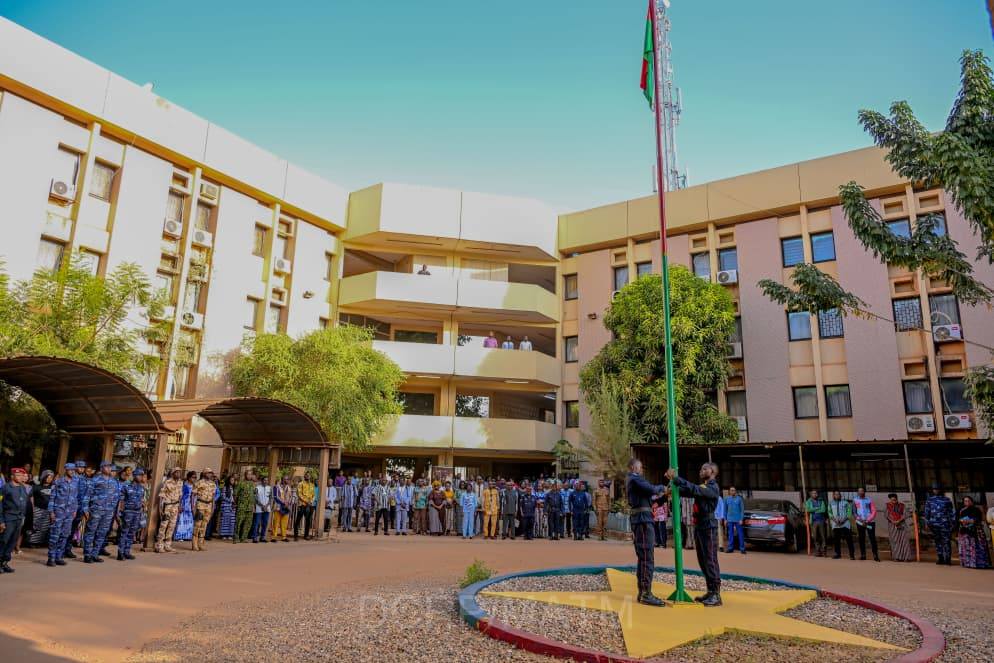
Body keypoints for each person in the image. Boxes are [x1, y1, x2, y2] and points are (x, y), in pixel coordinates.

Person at [666, 463, 722, 607]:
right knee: (703, 560)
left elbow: (694, 489)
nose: (701, 470)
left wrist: (677, 478)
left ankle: (716, 595)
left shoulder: (713, 487)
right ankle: (710, 591)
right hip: (701, 526)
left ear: (713, 471)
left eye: (705, 469)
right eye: (701, 468)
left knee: (710, 560)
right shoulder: (703, 487)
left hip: (709, 527)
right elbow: (688, 491)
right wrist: (672, 485)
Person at [625, 459, 668, 606]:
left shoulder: (636, 482)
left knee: (645, 557)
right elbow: (651, 489)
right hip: (642, 520)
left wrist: (663, 493)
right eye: (640, 467)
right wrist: (662, 487)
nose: (642, 469)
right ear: (633, 467)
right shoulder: (634, 479)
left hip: (644, 519)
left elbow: (652, 497)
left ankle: (643, 592)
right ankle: (645, 593)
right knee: (646, 557)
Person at [83, 461, 120, 563]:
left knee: (102, 532)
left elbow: (116, 497)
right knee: (91, 531)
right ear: (102, 468)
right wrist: (85, 509)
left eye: (110, 467)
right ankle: (87, 555)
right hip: (96, 510)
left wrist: (113, 509)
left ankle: (95, 554)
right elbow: (87, 495)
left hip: (108, 512)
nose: (109, 469)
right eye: (107, 467)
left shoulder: (114, 481)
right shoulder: (95, 480)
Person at [47, 464, 78, 567]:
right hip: (58, 511)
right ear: (66, 470)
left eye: (73, 470)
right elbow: (52, 497)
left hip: (69, 513)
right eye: (70, 470)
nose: (72, 471)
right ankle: (51, 558)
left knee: (65, 535)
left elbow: (75, 498)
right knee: (55, 535)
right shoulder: (58, 482)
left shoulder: (75, 482)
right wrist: (51, 511)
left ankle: (59, 557)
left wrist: (75, 510)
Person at [0, 467, 30, 573]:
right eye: (18, 475)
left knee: (12, 541)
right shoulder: (5, 488)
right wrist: (1, 521)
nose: (20, 477)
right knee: (4, 540)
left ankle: (4, 562)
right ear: (12, 476)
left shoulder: (22, 488)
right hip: (8, 518)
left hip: (18, 518)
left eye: (22, 475)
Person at [117, 467, 146, 560]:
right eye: (139, 475)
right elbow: (121, 501)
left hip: (137, 513)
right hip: (128, 512)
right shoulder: (126, 486)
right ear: (134, 476)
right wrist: (120, 514)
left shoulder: (142, 488)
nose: (141, 477)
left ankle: (127, 552)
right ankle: (120, 553)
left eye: (142, 475)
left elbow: (142, 500)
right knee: (124, 532)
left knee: (131, 533)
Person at [923, 483, 955, 565]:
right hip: (934, 524)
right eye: (934, 489)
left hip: (945, 524)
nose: (935, 490)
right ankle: (940, 558)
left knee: (946, 541)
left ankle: (947, 559)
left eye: (937, 489)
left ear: (940, 490)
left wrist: (952, 523)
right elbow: (927, 512)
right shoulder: (930, 500)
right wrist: (926, 523)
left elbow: (951, 513)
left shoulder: (947, 500)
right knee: (937, 542)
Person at [956, 496, 991, 569]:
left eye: (969, 500)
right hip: (965, 532)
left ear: (972, 501)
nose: (967, 502)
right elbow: (958, 520)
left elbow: (979, 519)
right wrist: (962, 521)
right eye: (965, 501)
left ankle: (980, 564)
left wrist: (970, 521)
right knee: (966, 548)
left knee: (978, 548)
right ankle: (968, 563)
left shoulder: (976, 509)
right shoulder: (962, 510)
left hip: (976, 532)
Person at [64, 461, 89, 559]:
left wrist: (85, 508)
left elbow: (86, 495)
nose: (82, 469)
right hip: (70, 507)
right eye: (79, 467)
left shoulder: (84, 479)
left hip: (80, 508)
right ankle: (61, 549)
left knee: (73, 529)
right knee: (66, 529)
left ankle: (68, 549)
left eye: (83, 467)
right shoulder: (71, 478)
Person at [190, 469, 216, 551]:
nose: (210, 474)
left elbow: (213, 497)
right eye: (208, 473)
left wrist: (213, 507)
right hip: (200, 505)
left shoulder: (213, 484)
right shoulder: (199, 482)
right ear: (204, 474)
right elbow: (193, 495)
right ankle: (194, 544)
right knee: (197, 525)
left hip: (209, 505)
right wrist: (192, 507)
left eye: (211, 473)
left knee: (204, 525)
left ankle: (200, 544)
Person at [852, 488, 880, 562]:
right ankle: (863, 555)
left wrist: (867, 520)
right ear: (857, 492)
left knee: (872, 538)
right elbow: (854, 512)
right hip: (860, 523)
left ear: (864, 492)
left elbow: (874, 511)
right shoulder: (855, 500)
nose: (861, 492)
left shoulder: (869, 500)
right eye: (859, 491)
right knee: (861, 538)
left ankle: (875, 555)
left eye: (862, 491)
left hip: (870, 522)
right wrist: (860, 519)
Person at [885, 494, 914, 562]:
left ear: (897, 499)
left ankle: (906, 558)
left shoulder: (902, 505)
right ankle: (897, 557)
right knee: (895, 541)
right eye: (892, 500)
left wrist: (899, 520)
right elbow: (886, 515)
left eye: (895, 499)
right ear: (890, 499)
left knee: (904, 541)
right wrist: (893, 521)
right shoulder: (887, 505)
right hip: (892, 525)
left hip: (902, 524)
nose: (894, 501)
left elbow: (906, 514)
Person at [29, 470, 55, 547]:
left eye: (51, 477)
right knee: (35, 526)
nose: (49, 479)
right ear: (43, 477)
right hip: (38, 509)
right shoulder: (36, 487)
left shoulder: (54, 488)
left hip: (48, 510)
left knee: (44, 527)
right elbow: (31, 498)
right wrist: (33, 509)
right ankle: (31, 542)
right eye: (48, 477)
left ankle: (39, 543)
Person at [828, 491, 855, 560]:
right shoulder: (830, 503)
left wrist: (844, 520)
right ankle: (837, 554)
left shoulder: (846, 503)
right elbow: (830, 512)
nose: (837, 495)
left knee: (849, 540)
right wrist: (835, 520)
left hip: (845, 524)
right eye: (835, 494)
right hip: (835, 525)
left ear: (840, 495)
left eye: (838, 494)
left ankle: (852, 555)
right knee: (836, 540)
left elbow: (849, 512)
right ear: (833, 496)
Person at [804, 489, 829, 557]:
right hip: (813, 522)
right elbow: (808, 509)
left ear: (817, 494)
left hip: (821, 521)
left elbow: (823, 510)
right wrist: (817, 508)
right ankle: (818, 551)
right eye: (813, 493)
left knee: (823, 536)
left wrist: (813, 510)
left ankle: (824, 551)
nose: (815, 494)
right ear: (811, 494)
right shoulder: (808, 501)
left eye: (816, 493)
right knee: (815, 537)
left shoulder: (821, 501)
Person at [173, 471, 196, 543]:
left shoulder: (195, 486)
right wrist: (180, 505)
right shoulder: (184, 485)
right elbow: (181, 497)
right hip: (184, 504)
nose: (194, 479)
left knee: (189, 520)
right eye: (193, 477)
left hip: (191, 505)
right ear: (189, 477)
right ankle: (179, 536)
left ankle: (187, 536)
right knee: (182, 520)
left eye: (195, 477)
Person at [234, 470, 256, 544]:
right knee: (239, 522)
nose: (249, 476)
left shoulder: (253, 484)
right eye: (248, 474)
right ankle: (236, 537)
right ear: (245, 475)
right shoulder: (241, 483)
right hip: (241, 506)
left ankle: (243, 538)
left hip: (250, 507)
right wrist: (235, 503)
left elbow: (254, 496)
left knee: (248, 523)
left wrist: (253, 506)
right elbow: (235, 494)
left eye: (250, 474)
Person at [722, 486, 745, 554]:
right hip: (729, 519)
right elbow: (725, 510)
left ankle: (742, 548)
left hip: (738, 519)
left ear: (735, 491)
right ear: (729, 491)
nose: (732, 491)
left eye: (734, 490)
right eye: (731, 490)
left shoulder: (739, 499)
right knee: (730, 534)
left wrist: (741, 519)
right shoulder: (726, 499)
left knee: (740, 534)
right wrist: (725, 519)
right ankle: (730, 548)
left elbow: (742, 510)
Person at [294, 473, 316, 540]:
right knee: (298, 520)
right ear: (304, 476)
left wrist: (311, 501)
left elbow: (314, 495)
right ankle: (296, 536)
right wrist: (306, 501)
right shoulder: (300, 484)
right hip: (302, 505)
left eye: (309, 475)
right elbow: (299, 494)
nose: (308, 476)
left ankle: (306, 535)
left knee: (308, 521)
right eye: (307, 475)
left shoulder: (312, 485)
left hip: (309, 505)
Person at [251, 475, 272, 543]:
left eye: (267, 480)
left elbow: (270, 498)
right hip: (259, 508)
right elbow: (255, 498)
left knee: (265, 523)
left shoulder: (269, 488)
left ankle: (262, 537)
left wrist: (266, 506)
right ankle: (254, 537)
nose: (266, 481)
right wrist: (262, 506)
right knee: (256, 523)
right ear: (262, 481)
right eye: (264, 480)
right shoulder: (257, 488)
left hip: (267, 508)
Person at [271, 475, 293, 541]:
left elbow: (291, 497)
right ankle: (274, 537)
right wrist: (284, 503)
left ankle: (284, 537)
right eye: (285, 479)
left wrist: (288, 503)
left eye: (287, 479)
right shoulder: (276, 487)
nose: (286, 480)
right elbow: (275, 497)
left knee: (284, 523)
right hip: (278, 507)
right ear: (282, 479)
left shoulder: (289, 488)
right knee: (276, 522)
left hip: (286, 507)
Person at [218, 476, 237, 540]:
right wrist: (231, 501)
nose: (232, 481)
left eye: (233, 480)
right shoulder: (225, 487)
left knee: (231, 521)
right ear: (228, 480)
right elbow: (223, 496)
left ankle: (230, 534)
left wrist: (234, 502)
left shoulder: (234, 488)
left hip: (232, 506)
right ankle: (223, 535)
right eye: (231, 480)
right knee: (225, 521)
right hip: (226, 506)